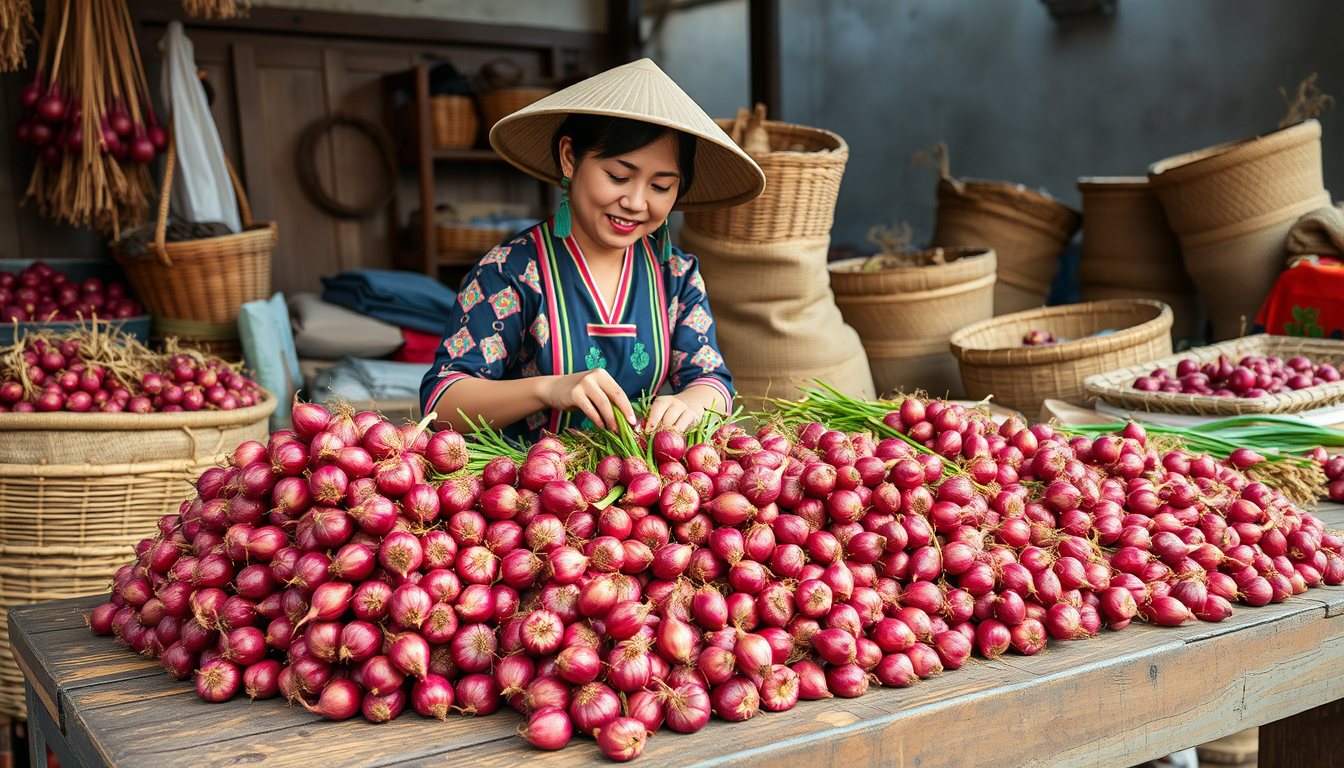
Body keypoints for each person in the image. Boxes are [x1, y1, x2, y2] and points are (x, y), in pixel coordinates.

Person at [419, 58, 765, 440]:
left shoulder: (676, 276)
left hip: (631, 484)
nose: (636, 201)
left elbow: (712, 383)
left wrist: (690, 404)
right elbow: (441, 404)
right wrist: (549, 389)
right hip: (526, 488)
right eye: (619, 176)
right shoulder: (509, 272)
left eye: (661, 186)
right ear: (570, 158)